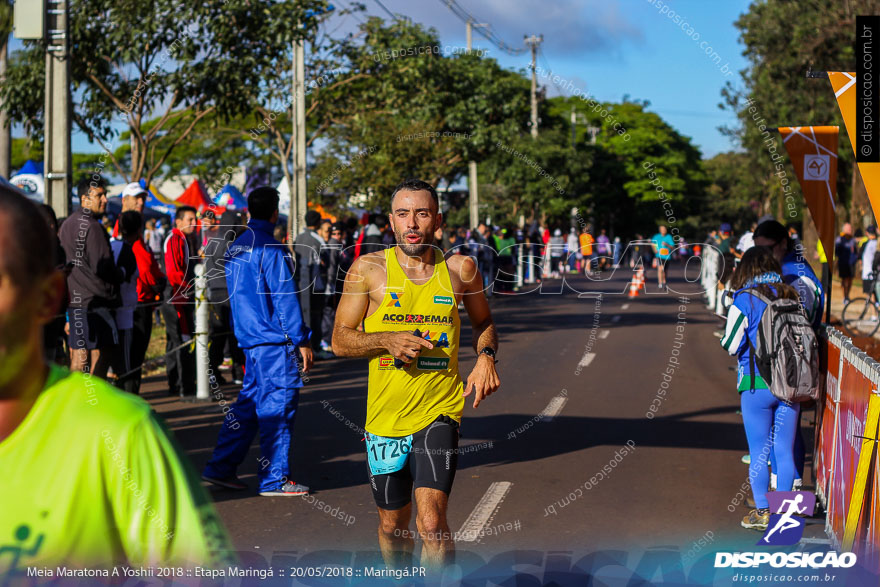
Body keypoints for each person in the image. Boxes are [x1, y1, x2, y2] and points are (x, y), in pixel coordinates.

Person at [0, 188, 233, 573]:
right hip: (105, 307)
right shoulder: (93, 228)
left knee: (106, 357)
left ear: (46, 297)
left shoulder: (124, 432)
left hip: (107, 312)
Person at [332, 179, 500, 572]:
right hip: (384, 419)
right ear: (391, 221)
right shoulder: (368, 270)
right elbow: (340, 340)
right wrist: (385, 339)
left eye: (422, 214)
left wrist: (487, 356)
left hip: (438, 412)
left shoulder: (460, 269)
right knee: (393, 527)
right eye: (404, 214)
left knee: (431, 523)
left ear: (437, 220)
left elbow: (484, 321)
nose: (412, 223)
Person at [202, 187, 314, 496]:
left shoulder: (237, 246)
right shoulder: (272, 247)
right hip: (274, 342)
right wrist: (301, 339)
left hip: (250, 340)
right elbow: (285, 300)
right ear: (275, 213)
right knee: (277, 406)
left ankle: (221, 467)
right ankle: (274, 479)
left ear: (249, 210)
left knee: (248, 406)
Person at [720, 246, 802, 532]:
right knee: (784, 449)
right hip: (791, 383)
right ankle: (784, 514)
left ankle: (763, 512)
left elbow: (730, 344)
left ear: (746, 269)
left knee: (759, 451)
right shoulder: (790, 294)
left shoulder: (744, 299)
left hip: (756, 383)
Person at [752, 220, 825, 492]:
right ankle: (781, 495)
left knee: (787, 435)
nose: (762, 256)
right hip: (786, 362)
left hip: (793, 364)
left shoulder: (794, 275)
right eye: (757, 250)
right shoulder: (784, 270)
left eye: (767, 249)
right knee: (781, 433)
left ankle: (789, 497)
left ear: (783, 243)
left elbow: (800, 322)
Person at [58, 175, 121, 377]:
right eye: (99, 196)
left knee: (79, 355)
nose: (104, 200)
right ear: (85, 199)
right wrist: (122, 274)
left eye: (105, 195)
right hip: (96, 301)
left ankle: (77, 399)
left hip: (76, 301)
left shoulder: (67, 224)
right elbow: (103, 267)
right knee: (106, 350)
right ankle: (92, 396)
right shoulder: (93, 227)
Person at [205, 210, 246, 385]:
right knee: (234, 334)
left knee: (217, 335)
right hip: (230, 293)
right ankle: (238, 373)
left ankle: (212, 373)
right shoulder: (232, 244)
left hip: (214, 293)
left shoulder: (211, 242)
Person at [162, 206, 198, 398]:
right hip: (176, 297)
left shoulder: (183, 239)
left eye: (195, 219)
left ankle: (176, 384)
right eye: (190, 220)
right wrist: (187, 290)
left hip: (177, 295)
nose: (194, 223)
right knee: (182, 341)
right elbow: (174, 272)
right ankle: (185, 386)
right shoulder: (175, 239)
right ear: (179, 221)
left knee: (175, 341)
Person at [129, 211, 166, 395]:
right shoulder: (138, 246)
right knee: (136, 355)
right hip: (141, 302)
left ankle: (131, 396)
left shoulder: (131, 244)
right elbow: (146, 271)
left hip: (134, 302)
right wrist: (156, 286)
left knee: (132, 356)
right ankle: (132, 397)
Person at [109, 211, 140, 395]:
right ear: (138, 230)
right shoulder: (126, 250)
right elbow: (124, 276)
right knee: (125, 363)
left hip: (110, 311)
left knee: (111, 362)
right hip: (124, 313)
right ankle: (127, 402)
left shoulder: (110, 245)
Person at [294, 210, 329, 356]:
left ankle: (304, 347)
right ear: (318, 222)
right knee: (316, 316)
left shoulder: (298, 238)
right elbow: (326, 259)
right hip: (316, 284)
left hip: (300, 284)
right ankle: (316, 346)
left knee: (303, 316)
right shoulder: (317, 239)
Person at [835, 223, 857, 304]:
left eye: (850, 229)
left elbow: (855, 251)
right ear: (844, 230)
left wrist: (855, 258)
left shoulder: (853, 240)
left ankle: (847, 295)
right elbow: (837, 251)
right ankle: (845, 296)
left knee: (850, 280)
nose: (849, 231)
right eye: (848, 229)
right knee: (844, 280)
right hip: (843, 263)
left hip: (851, 264)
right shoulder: (840, 239)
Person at [651, 224, 675, 290]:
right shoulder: (656, 236)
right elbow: (653, 244)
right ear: (660, 230)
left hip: (667, 256)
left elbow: (672, 247)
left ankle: (664, 282)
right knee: (660, 269)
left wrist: (666, 244)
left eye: (664, 229)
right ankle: (660, 283)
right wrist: (655, 250)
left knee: (665, 270)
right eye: (662, 229)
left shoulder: (669, 237)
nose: (663, 230)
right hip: (659, 256)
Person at [860, 226, 879, 303]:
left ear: (867, 233)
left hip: (868, 272)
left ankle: (874, 314)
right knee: (876, 294)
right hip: (876, 272)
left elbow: (861, 257)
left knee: (870, 295)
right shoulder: (878, 242)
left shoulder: (866, 244)